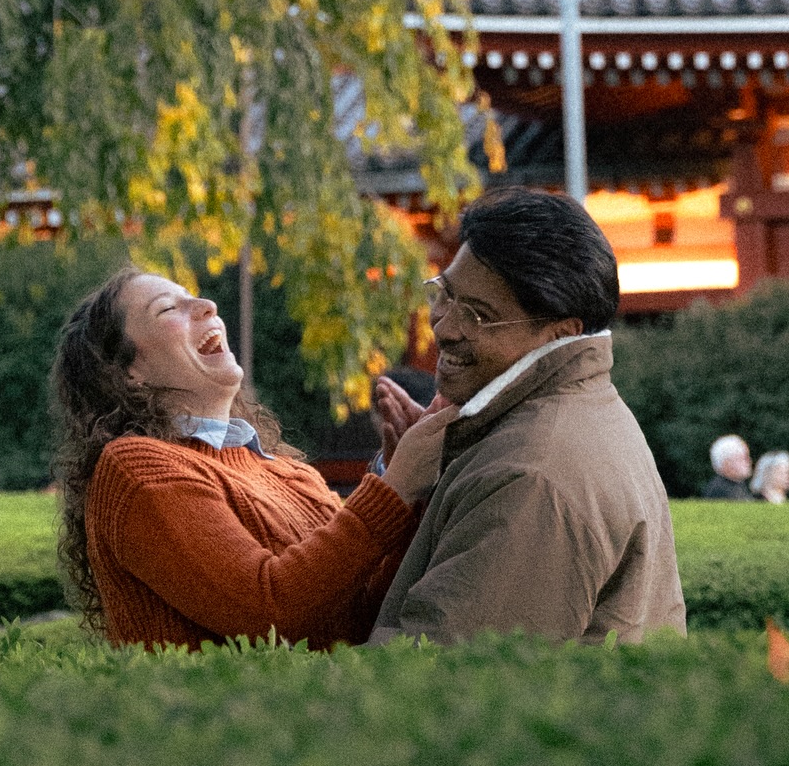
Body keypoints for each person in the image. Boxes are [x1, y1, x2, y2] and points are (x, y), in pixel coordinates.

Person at [53, 267, 452, 650]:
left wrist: (412, 492)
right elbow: (267, 610)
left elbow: (365, 614)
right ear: (127, 373)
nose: (208, 305)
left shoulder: (291, 474)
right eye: (168, 308)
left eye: (196, 297)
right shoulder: (137, 467)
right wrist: (393, 487)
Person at [368, 188, 686, 646]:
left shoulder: (531, 476)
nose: (443, 325)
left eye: (477, 316)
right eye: (447, 294)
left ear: (560, 332)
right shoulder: (570, 414)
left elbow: (442, 682)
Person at [702, 435, 753, 500]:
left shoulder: (738, 485)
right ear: (726, 462)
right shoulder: (719, 491)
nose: (749, 461)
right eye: (743, 458)